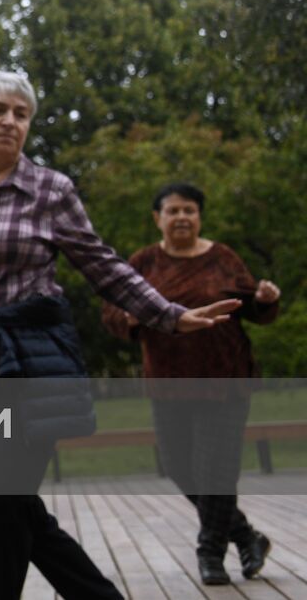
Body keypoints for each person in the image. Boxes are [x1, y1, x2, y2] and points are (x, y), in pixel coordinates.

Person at [0, 71, 240, 600]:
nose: (10, 121)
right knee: (6, 506)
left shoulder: (52, 190)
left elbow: (103, 267)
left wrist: (169, 314)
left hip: (32, 369)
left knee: (4, 502)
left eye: (21, 114)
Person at [101, 182, 281, 585]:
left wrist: (266, 299)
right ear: (158, 218)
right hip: (167, 383)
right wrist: (128, 318)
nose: (182, 217)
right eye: (173, 210)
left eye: (189, 210)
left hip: (224, 380)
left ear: (199, 216)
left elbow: (253, 309)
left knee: (215, 470)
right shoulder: (143, 263)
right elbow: (111, 313)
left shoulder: (223, 259)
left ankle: (210, 552)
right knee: (180, 467)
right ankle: (248, 537)